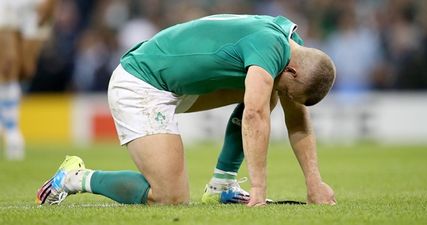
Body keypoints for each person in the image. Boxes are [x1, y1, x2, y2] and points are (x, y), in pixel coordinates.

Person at [36, 14, 336, 206]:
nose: (286, 96)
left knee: (264, 89)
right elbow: (254, 115)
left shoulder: (289, 43)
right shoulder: (271, 49)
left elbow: (296, 116)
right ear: (294, 72)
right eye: (289, 91)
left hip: (176, 84)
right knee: (169, 197)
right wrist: (259, 187)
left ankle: (222, 186)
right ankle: (75, 177)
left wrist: (315, 183)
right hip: (141, 82)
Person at [0, 0, 55, 160]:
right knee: (9, 62)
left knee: (26, 69)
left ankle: (5, 113)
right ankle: (12, 131)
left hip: (36, 5)